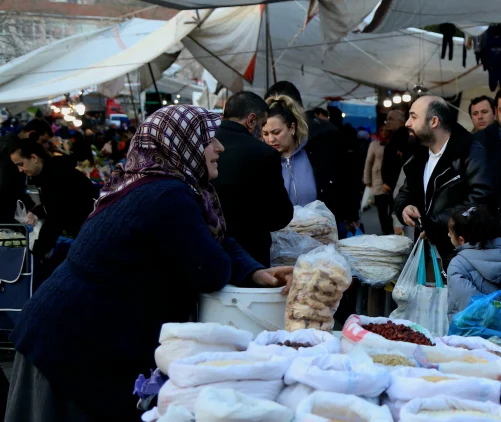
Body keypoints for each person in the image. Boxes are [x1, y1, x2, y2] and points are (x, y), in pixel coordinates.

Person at [3, 105, 293, 421]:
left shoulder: (154, 183)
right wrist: (241, 269)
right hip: (70, 346)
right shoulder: (166, 194)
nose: (219, 147)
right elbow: (210, 270)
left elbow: (215, 243)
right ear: (181, 144)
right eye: (209, 139)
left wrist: (255, 271)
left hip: (67, 334)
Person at [395, 95, 494, 259]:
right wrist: (404, 207)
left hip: (461, 256)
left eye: (413, 117)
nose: (407, 123)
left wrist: (432, 224)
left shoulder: (472, 153)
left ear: (434, 122)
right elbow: (404, 193)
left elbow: (480, 201)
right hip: (426, 252)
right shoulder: (419, 155)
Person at [264, 81, 359, 234]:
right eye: (265, 134)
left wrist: (349, 214)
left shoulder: (315, 152)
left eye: (276, 132)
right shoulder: (263, 161)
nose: (270, 139)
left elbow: (346, 177)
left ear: (292, 128)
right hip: (280, 243)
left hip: (322, 238)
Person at [211, 91, 293, 267]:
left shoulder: (205, 144)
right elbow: (280, 215)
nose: (263, 134)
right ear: (251, 120)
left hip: (209, 252)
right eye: (262, 125)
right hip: (251, 257)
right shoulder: (264, 154)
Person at [8, 139, 99, 270]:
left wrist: (35, 255)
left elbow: (56, 218)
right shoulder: (47, 173)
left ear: (34, 158)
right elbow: (52, 204)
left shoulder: (57, 176)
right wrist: (36, 212)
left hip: (90, 230)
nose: (20, 170)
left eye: (21, 164)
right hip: (81, 228)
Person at [446, 205, 501, 318]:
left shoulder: (457, 265)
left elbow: (470, 309)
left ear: (461, 240)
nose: (448, 235)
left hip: (471, 334)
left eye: (450, 232)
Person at [0, 119, 52, 223]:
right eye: (43, 141)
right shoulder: (11, 150)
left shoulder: (9, 143)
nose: (43, 146)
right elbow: (7, 184)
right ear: (32, 134)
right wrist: (30, 204)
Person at [364, 130, 392, 234]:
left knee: (391, 208)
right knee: (382, 209)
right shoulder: (374, 144)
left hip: (390, 180)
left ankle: (392, 229)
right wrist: (367, 180)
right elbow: (369, 162)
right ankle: (385, 232)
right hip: (377, 180)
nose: (385, 132)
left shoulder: (393, 142)